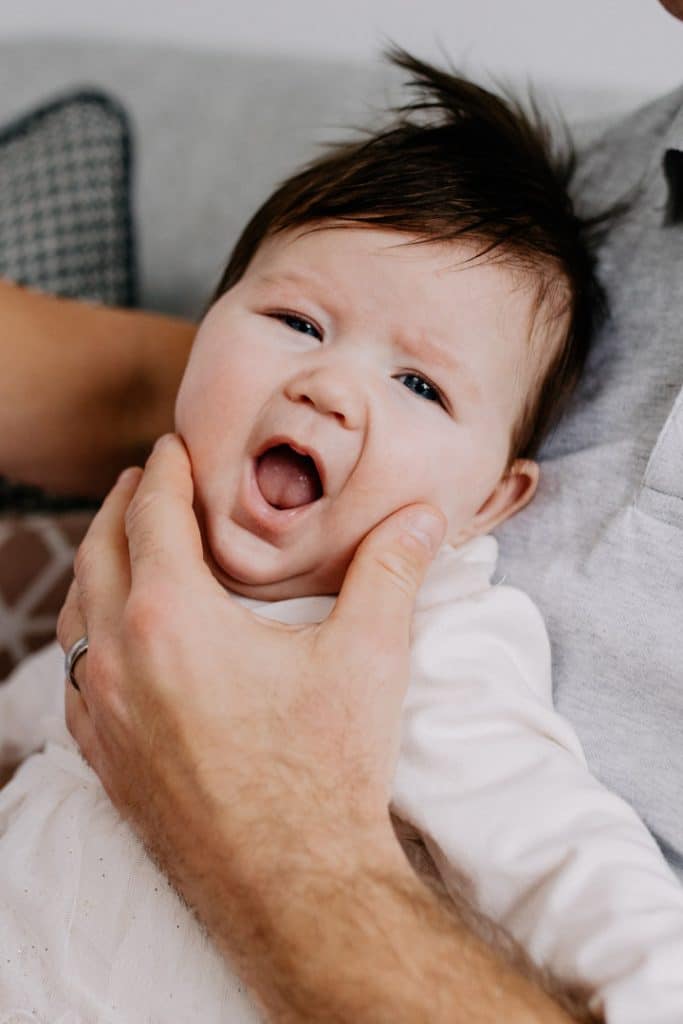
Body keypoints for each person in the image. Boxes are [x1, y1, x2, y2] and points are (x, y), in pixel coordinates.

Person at [2, 47, 682, 1023]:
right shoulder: (148, 558)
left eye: (418, 386)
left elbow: (561, 862)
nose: (327, 385)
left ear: (493, 498)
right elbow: (43, 714)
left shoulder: (439, 651)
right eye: (294, 320)